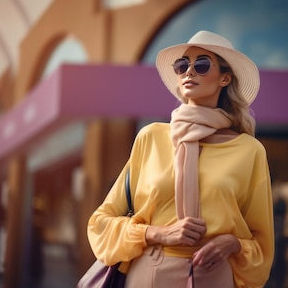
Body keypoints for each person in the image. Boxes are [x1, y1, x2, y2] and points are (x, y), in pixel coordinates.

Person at [86, 30, 274, 287]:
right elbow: (100, 222)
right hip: (149, 271)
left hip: (214, 274)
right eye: (182, 65)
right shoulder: (151, 137)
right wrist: (158, 233)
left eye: (202, 65)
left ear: (225, 78)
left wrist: (233, 244)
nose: (189, 71)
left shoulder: (249, 150)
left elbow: (262, 243)